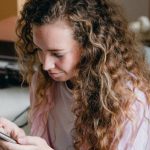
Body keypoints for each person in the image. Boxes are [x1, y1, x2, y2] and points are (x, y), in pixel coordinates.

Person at [0, 0, 150, 149]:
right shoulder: (42, 83)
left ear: (89, 48)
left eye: (57, 54)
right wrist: (21, 140)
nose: (46, 65)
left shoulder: (130, 102)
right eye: (40, 49)